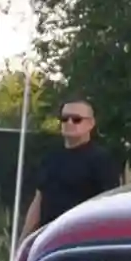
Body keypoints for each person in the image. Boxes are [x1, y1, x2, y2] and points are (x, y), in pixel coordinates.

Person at [20, 100, 118, 238]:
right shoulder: (51, 158)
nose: (69, 123)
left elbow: (109, 205)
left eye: (76, 119)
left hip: (80, 238)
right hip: (48, 237)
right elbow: (38, 201)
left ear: (91, 124)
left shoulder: (101, 160)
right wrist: (24, 239)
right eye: (64, 119)